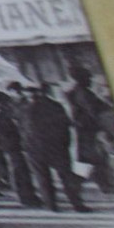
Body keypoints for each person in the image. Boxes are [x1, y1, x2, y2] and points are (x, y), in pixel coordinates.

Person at [20, 81, 91, 213]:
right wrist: (65, 144)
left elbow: (22, 130)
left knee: (42, 178)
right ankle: (77, 204)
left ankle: (51, 205)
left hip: (34, 149)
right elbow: (65, 126)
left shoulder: (22, 109)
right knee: (66, 176)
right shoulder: (54, 106)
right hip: (56, 147)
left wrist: (26, 146)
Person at [67, 68, 114, 194]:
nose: (90, 80)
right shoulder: (83, 93)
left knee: (89, 159)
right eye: (88, 78)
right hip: (90, 130)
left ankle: (77, 184)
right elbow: (94, 110)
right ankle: (77, 185)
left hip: (84, 130)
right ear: (82, 79)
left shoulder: (78, 91)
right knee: (96, 158)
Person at [0, 89, 41, 207]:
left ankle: (28, 195)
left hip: (10, 144)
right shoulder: (0, 114)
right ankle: (24, 197)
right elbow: (8, 130)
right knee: (18, 170)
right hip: (11, 144)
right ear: (2, 102)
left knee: (20, 169)